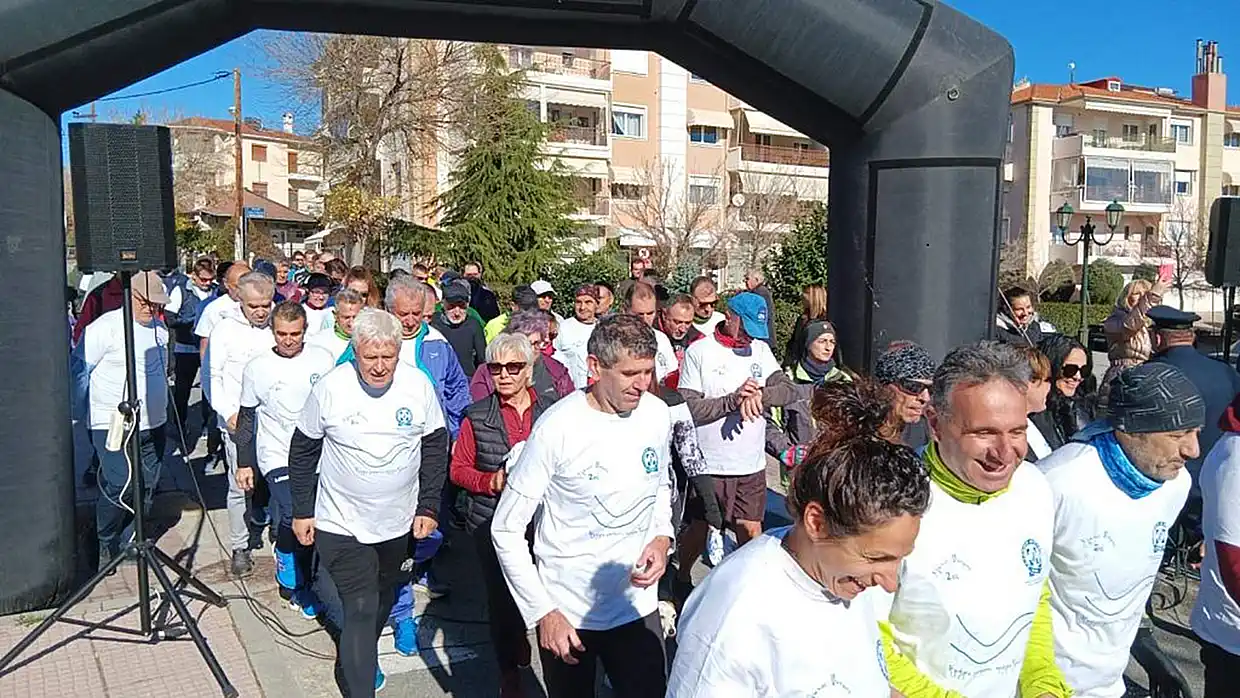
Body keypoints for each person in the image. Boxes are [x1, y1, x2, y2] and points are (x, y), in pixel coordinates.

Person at [668, 380, 931, 697]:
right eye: (877, 558)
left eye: (898, 559)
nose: (890, 583)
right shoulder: (737, 619)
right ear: (817, 523)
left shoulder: (841, 574)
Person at [491, 314, 676, 698]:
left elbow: (660, 484)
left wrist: (662, 537)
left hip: (636, 604)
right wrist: (543, 613)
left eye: (647, 372)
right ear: (594, 367)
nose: (642, 384)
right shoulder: (557, 428)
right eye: (629, 374)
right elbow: (505, 528)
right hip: (569, 612)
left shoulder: (657, 414)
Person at [879, 340, 1070, 698]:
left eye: (1017, 431)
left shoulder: (1034, 487)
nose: (1005, 453)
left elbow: (1035, 598)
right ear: (935, 424)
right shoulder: (891, 503)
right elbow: (867, 639)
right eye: (984, 433)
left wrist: (1043, 684)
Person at [289, 308, 449, 698]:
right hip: (341, 522)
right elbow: (303, 450)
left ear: (399, 351)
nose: (379, 367)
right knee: (360, 605)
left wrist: (428, 505)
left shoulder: (417, 385)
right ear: (355, 351)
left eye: (387, 356)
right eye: (370, 357)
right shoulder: (331, 387)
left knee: (382, 598)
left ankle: (360, 652)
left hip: (398, 523)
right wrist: (302, 510)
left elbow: (435, 445)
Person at [1038, 363, 1202, 698]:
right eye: (1176, 435)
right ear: (1129, 429)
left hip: (1111, 681)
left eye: (1196, 432)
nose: (1192, 450)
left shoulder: (1176, 484)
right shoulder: (1057, 483)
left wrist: (1146, 648)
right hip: (1047, 684)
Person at [451, 333, 558, 697]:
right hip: (492, 519)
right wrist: (490, 481)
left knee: (547, 592)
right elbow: (458, 469)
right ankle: (508, 671)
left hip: (544, 519)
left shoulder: (553, 411)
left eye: (514, 367)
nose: (505, 375)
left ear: (529, 370)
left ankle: (553, 666)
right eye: (496, 368)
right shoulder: (478, 415)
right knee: (502, 600)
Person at [675, 292, 799, 590]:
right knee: (702, 526)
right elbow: (689, 408)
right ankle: (681, 576)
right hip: (710, 463)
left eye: (755, 331)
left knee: (750, 529)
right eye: (745, 328)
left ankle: (747, 588)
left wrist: (761, 395)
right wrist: (732, 401)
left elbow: (788, 390)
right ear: (729, 317)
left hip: (750, 464)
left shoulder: (760, 350)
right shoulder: (700, 351)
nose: (749, 337)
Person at [234, 301, 336, 617]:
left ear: (305, 330)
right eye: (282, 334)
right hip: (276, 453)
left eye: (295, 334)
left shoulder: (323, 358)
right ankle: (295, 580)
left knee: (316, 516)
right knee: (294, 512)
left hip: (317, 453)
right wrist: (244, 461)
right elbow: (246, 417)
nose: (288, 340)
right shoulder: (257, 367)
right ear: (273, 332)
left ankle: (313, 573)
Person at [72, 271, 170, 570]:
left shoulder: (160, 330)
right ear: (131, 296)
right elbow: (80, 371)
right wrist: (79, 415)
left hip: (154, 422)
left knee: (147, 485)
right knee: (119, 482)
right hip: (111, 422)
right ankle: (104, 540)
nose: (151, 309)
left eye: (157, 304)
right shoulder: (104, 328)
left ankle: (131, 537)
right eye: (145, 302)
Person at [207, 271, 278, 577]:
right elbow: (213, 376)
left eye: (266, 305)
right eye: (254, 306)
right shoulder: (224, 330)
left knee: (277, 479)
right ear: (240, 301)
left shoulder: (277, 326)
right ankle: (240, 545)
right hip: (239, 420)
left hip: (275, 420)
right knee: (241, 486)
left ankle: (280, 534)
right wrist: (227, 412)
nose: (261, 312)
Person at [1148, 304, 1240, 490]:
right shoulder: (1224, 371)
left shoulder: (1149, 375)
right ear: (1192, 337)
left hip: (1169, 482)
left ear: (1157, 338)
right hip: (1219, 478)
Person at [767, 320, 850, 487]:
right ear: (808, 343)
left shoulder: (843, 382)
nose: (828, 347)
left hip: (836, 473)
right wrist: (785, 450)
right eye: (822, 341)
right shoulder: (788, 382)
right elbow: (769, 423)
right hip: (799, 473)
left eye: (832, 342)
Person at [386, 276, 470, 438]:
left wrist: (458, 434)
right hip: (388, 434)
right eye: (403, 314)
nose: (410, 321)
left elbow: (457, 389)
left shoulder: (437, 342)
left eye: (416, 313)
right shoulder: (372, 338)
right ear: (389, 309)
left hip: (431, 435)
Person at [470, 310, 574, 403]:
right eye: (526, 344)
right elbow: (479, 409)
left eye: (536, 343)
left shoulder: (556, 371)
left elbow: (570, 405)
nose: (531, 350)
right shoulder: (487, 371)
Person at [165, 257, 217, 435]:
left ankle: (207, 425)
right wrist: (192, 321)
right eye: (203, 279)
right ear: (194, 276)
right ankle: (179, 424)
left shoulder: (214, 292)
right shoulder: (181, 291)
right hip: (185, 348)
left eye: (210, 279)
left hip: (208, 347)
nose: (207, 283)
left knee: (209, 388)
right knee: (182, 389)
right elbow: (170, 319)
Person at [1100, 276, 1168, 397]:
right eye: (1137, 293)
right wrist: (1152, 297)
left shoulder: (1151, 324)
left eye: (1145, 294)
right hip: (1123, 374)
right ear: (1126, 297)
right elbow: (1129, 327)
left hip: (1148, 374)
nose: (1142, 297)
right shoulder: (1115, 320)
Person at [1033, 334, 1095, 449]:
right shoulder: (1035, 410)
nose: (1078, 377)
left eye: (1084, 370)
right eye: (1070, 369)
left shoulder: (1082, 407)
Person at [873, 341, 935, 449]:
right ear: (884, 385)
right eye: (913, 386)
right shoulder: (854, 429)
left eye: (931, 389)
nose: (925, 398)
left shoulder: (925, 431)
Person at [623, 281, 677, 385]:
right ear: (625, 310)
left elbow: (672, 375)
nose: (645, 319)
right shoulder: (613, 341)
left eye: (650, 313)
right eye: (639, 314)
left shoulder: (662, 340)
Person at [431, 278, 487, 377]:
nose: (457, 313)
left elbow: (483, 361)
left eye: (462, 307)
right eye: (451, 307)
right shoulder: (434, 323)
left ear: (468, 305)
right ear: (443, 304)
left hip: (466, 379)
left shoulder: (473, 325)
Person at [552, 284, 601, 389]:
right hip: (569, 391)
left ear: (596, 304)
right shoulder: (563, 328)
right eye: (578, 302)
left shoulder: (603, 329)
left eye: (588, 302)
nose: (582, 307)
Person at [657, 294, 704, 390]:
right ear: (664, 315)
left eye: (688, 323)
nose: (683, 329)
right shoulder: (652, 334)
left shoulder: (697, 339)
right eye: (678, 322)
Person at [306, 288, 365, 363]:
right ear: (335, 315)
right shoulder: (318, 342)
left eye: (355, 317)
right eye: (346, 318)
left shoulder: (370, 341)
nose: (351, 323)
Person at [1021, 346, 1056, 462]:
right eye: (1047, 380)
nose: (1049, 386)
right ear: (1027, 383)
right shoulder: (1003, 435)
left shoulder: (1040, 422)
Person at [782, 283, 828, 369]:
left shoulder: (825, 322)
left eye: (806, 293)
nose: (802, 297)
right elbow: (794, 344)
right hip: (799, 365)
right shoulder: (803, 319)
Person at [743, 269, 777, 345]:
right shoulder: (758, 292)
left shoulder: (760, 293)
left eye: (747, 279)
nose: (745, 281)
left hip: (762, 339)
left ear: (756, 280)